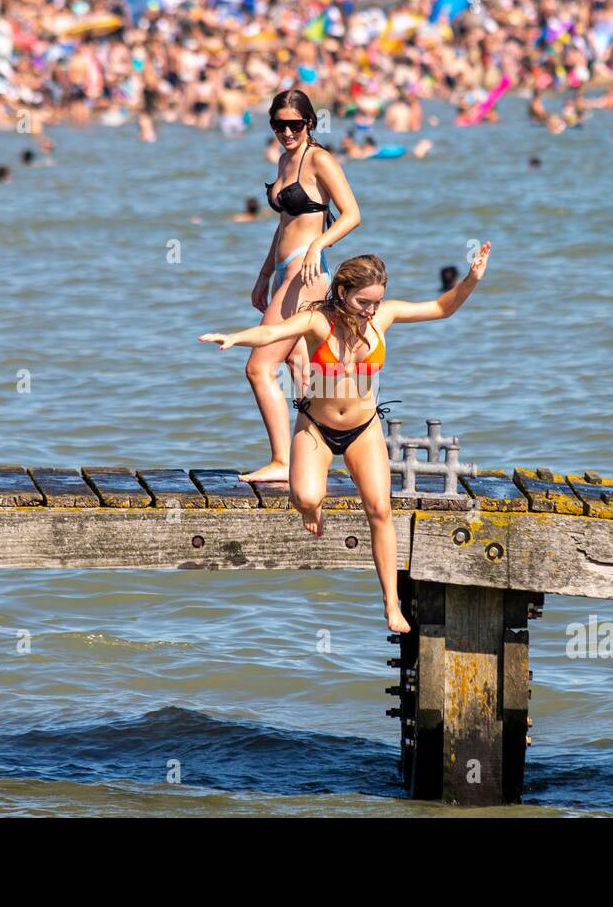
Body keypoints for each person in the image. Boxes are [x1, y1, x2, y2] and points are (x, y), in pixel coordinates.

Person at [199, 242, 492, 632]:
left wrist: (471, 279)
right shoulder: (318, 321)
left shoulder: (382, 318)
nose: (371, 310)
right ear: (342, 293)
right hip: (316, 427)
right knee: (305, 497)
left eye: (377, 301)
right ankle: (310, 507)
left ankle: (391, 605)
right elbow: (273, 330)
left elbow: (441, 308)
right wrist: (236, 338)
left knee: (380, 511)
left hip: (363, 429)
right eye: (364, 302)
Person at [243, 89, 362, 483]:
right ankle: (317, 457)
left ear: (310, 122)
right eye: (279, 125)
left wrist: (318, 245)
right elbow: (283, 226)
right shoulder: (283, 159)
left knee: (260, 367)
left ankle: (282, 461)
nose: (287, 132)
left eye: (295, 124)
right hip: (283, 270)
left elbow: (352, 214)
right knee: (300, 369)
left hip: (306, 274)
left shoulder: (319, 159)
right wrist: (263, 275)